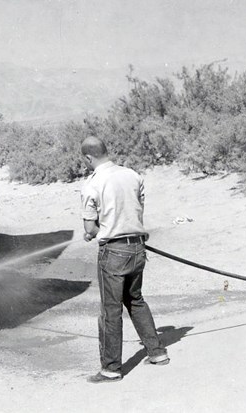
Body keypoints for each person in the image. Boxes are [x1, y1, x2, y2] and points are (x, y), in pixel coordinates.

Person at [79, 136, 169, 383]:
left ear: (88, 158)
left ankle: (111, 369)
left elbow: (91, 225)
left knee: (111, 310)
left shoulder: (92, 184)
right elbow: (137, 210)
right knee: (136, 300)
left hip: (114, 252)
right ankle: (157, 353)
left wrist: (91, 232)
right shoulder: (132, 175)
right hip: (138, 249)